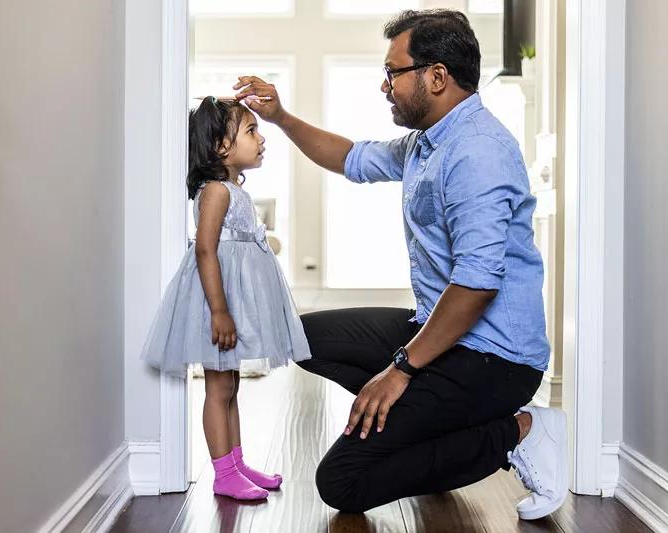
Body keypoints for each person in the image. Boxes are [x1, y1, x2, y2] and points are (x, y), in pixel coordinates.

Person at [233, 9, 568, 519]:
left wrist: (401, 369)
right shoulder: (426, 142)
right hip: (442, 334)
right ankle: (436, 425)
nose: (384, 86)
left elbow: (477, 285)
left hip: (495, 360)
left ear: (436, 77)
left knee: (341, 483)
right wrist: (279, 117)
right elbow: (350, 157)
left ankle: (517, 431)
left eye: (393, 72)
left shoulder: (478, 152)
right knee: (297, 337)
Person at [140, 96, 311, 501]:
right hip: (217, 303)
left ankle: (236, 463)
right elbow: (205, 250)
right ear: (221, 146)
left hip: (230, 300)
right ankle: (223, 473)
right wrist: (219, 310)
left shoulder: (233, 189)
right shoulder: (215, 191)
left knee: (230, 384)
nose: (261, 138)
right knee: (218, 389)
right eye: (251, 131)